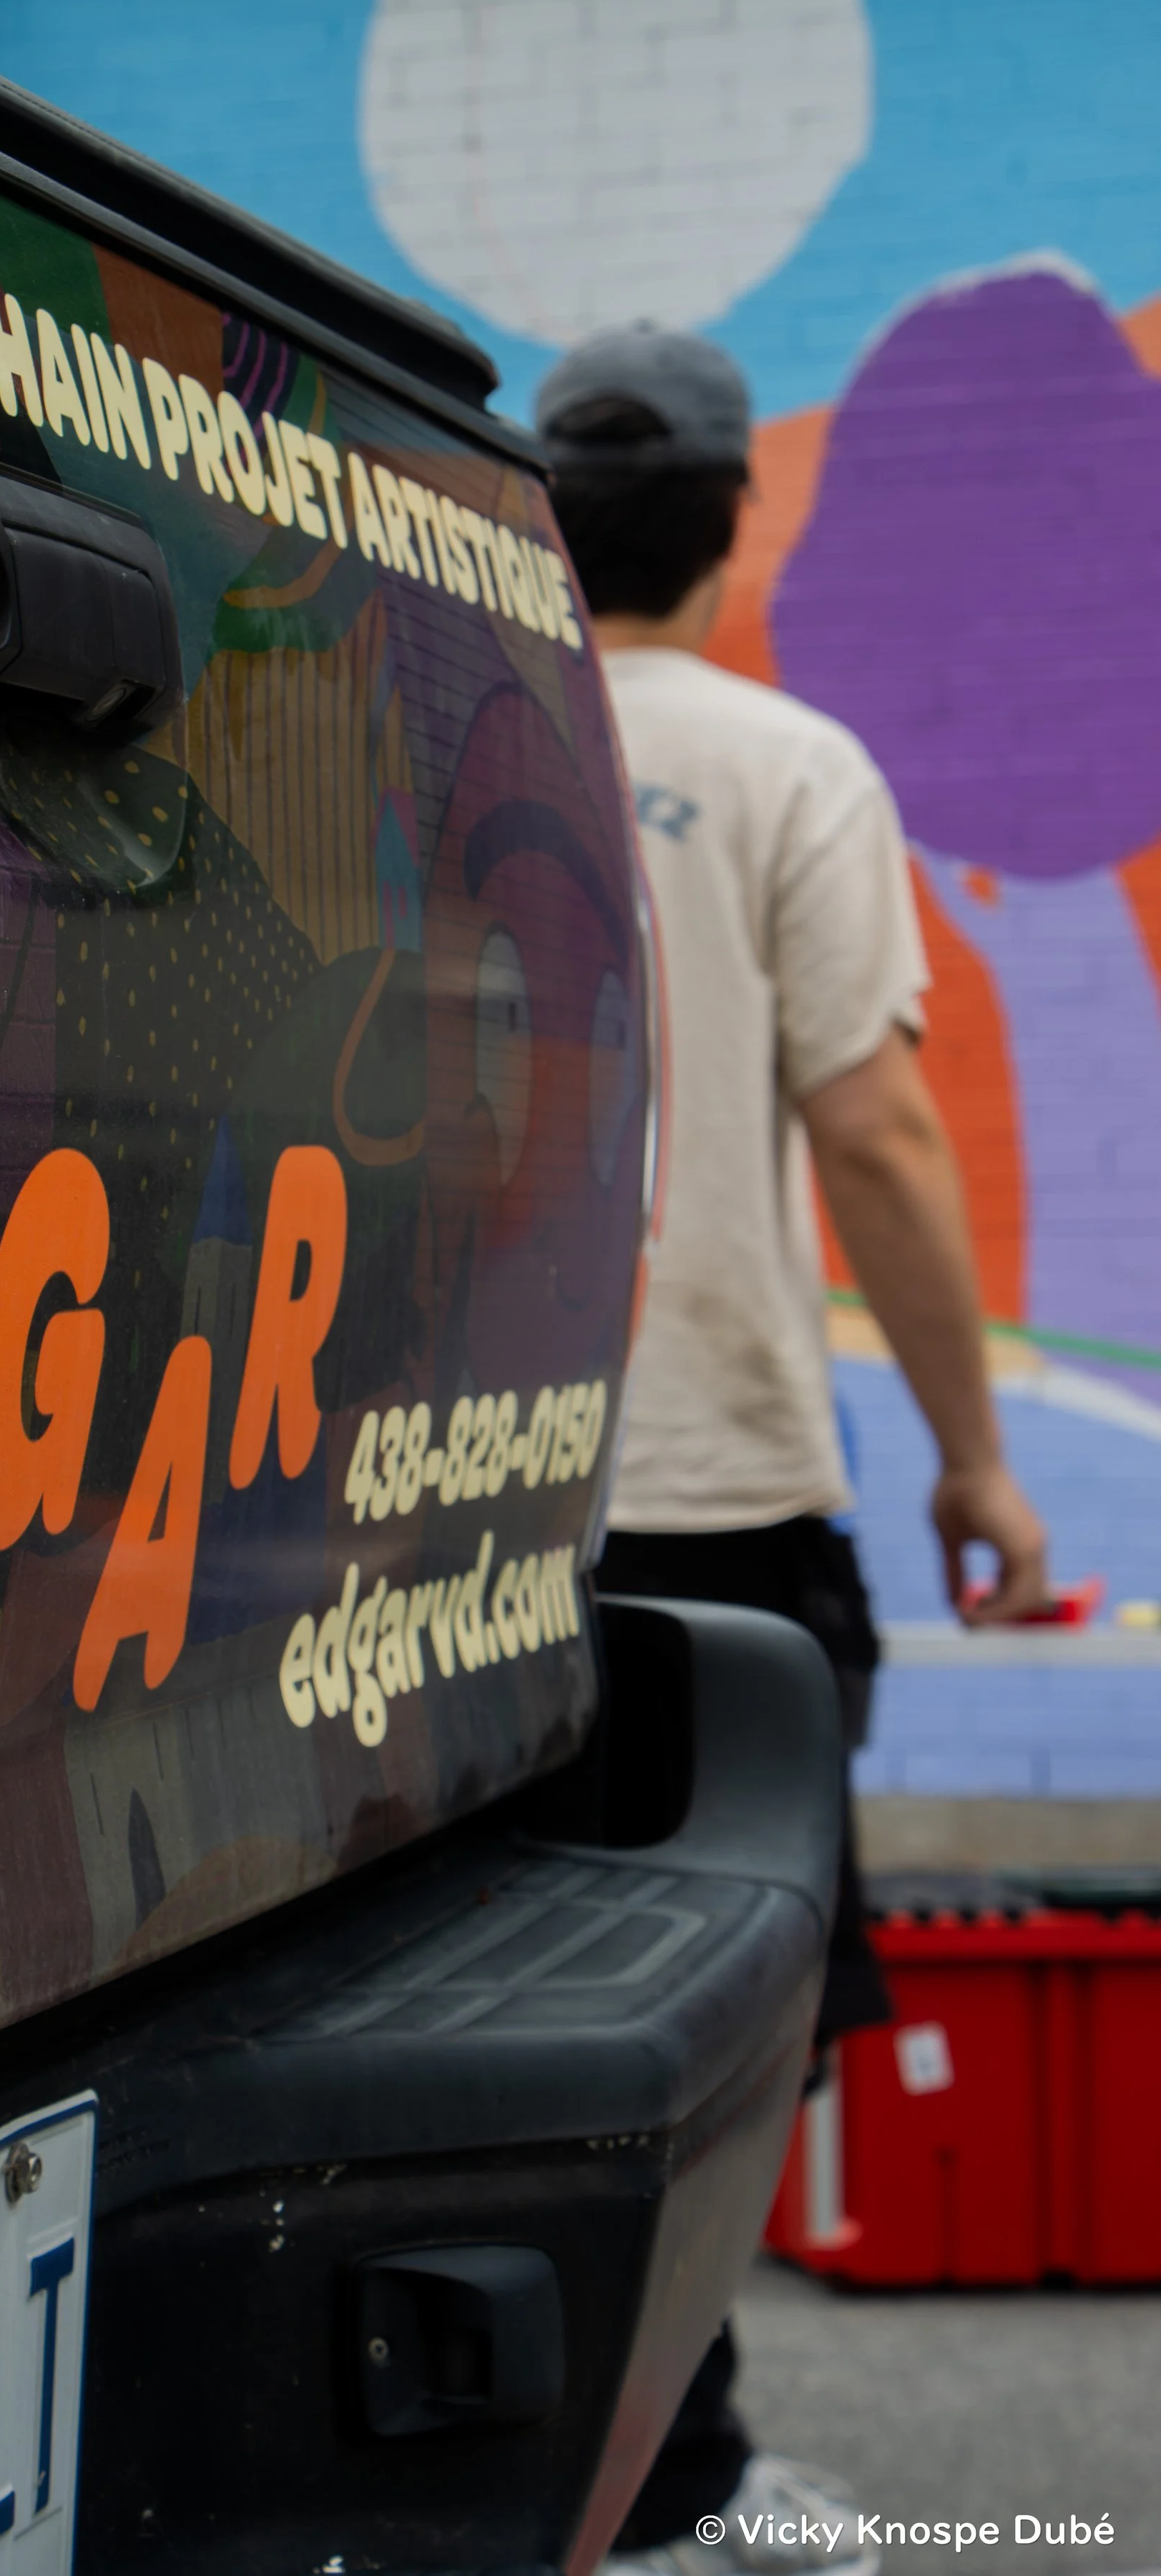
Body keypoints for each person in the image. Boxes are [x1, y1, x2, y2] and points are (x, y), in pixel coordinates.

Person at [538, 326, 1049, 2576]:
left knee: (508, 2001)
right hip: (716, 1507)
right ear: (734, 520)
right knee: (723, 2011)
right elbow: (876, 1128)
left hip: (445, 1506)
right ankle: (666, 2488)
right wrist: (972, 1461)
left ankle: (611, 2462)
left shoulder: (442, 729)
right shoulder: (786, 764)